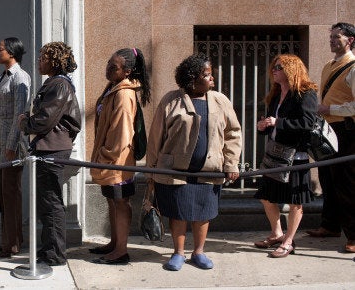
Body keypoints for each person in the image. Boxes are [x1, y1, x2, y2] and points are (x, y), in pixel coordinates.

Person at [146, 53, 242, 271]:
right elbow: (156, 136)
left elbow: (233, 133)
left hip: (210, 170)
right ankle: (178, 253)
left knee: (203, 212)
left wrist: (231, 163)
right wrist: (152, 169)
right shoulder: (171, 100)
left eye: (211, 75)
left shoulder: (220, 100)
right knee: (178, 212)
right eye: (207, 75)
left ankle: (198, 252)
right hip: (175, 170)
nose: (212, 79)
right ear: (192, 78)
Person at [18, 41, 81, 266]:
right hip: (48, 148)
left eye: (43, 57)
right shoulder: (54, 83)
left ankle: (54, 255)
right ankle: (48, 251)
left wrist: (25, 123)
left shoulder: (59, 85)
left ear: (54, 61)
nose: (39, 61)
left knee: (51, 203)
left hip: (52, 150)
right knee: (47, 203)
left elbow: (45, 119)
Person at [89, 48, 151, 265]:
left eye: (113, 67)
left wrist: (106, 156)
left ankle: (121, 251)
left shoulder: (124, 94)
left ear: (127, 71)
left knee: (121, 202)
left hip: (118, 161)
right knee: (112, 202)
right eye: (108, 63)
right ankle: (114, 243)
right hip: (110, 161)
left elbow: (122, 132)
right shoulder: (113, 88)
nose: (108, 69)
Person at [253, 54, 317, 257]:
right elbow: (271, 122)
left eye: (279, 67)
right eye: (274, 66)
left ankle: (289, 241)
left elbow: (308, 123)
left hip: (295, 156)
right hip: (274, 154)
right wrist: (262, 126)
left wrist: (277, 122)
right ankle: (277, 233)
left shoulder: (305, 93)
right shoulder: (275, 93)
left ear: (291, 70)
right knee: (266, 196)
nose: (274, 70)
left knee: (294, 201)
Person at [309, 22, 355, 253]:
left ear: (351, 41)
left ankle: (354, 235)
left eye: (338, 37)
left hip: (347, 131)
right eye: (331, 37)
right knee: (327, 179)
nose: (332, 41)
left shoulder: (353, 67)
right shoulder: (329, 65)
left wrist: (331, 110)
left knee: (347, 183)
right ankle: (330, 225)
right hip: (328, 130)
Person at [0, 37, 30, 258]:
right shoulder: (2, 78)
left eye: (1, 49)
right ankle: (9, 239)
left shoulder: (20, 78)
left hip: (11, 147)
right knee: (4, 195)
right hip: (0, 145)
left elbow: (19, 114)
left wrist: (11, 145)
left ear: (12, 52)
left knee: (11, 194)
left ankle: (12, 243)